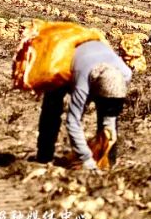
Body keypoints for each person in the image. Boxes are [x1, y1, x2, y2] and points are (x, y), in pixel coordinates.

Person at [36, 40, 132, 171]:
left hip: (96, 64)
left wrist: (109, 127)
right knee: (52, 104)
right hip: (65, 60)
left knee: (107, 121)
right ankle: (44, 155)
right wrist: (86, 158)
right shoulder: (82, 79)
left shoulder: (125, 74)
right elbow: (72, 121)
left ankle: (107, 161)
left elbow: (111, 113)